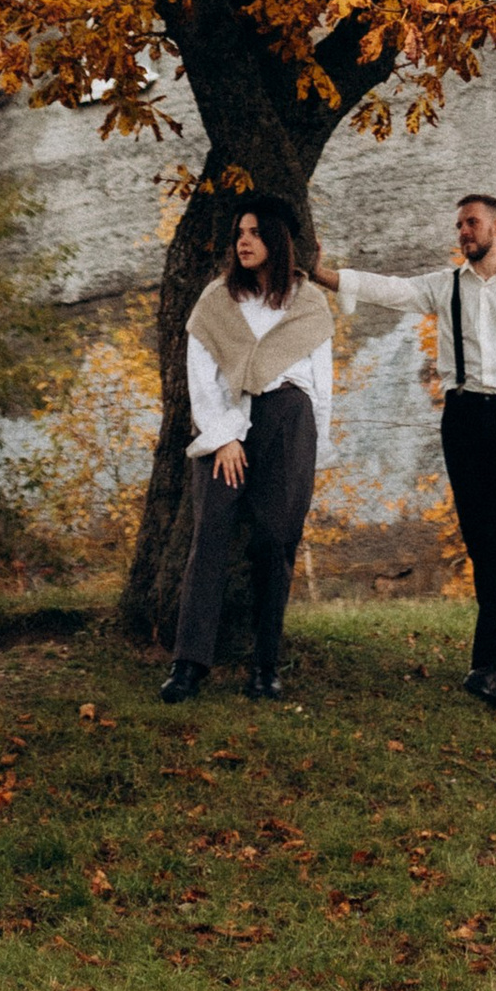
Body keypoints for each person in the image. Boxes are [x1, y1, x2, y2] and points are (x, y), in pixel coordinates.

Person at [329, 194, 496, 709]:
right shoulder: (446, 286)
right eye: (460, 224)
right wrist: (328, 277)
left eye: (473, 223)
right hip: (461, 419)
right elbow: (392, 291)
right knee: (483, 542)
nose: (465, 231)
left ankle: (493, 667)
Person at [160, 196, 335, 707]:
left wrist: (310, 454)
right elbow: (201, 376)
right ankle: (188, 664)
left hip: (288, 420)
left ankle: (264, 666)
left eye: (255, 232)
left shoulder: (307, 303)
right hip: (225, 426)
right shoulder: (217, 300)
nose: (244, 240)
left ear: (277, 240)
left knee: (274, 543)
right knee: (209, 537)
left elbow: (321, 384)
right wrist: (224, 436)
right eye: (240, 232)